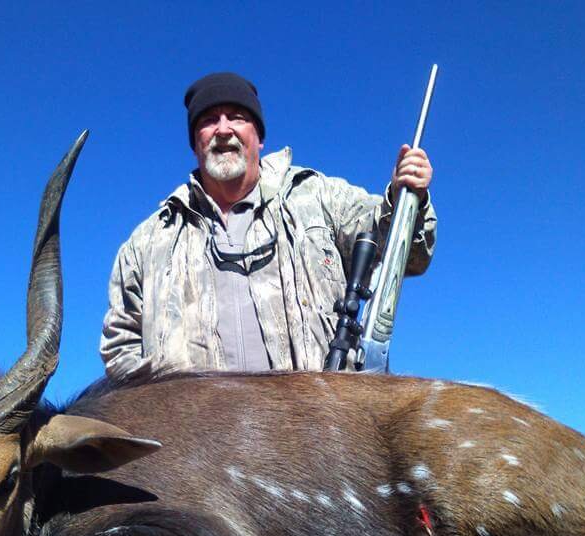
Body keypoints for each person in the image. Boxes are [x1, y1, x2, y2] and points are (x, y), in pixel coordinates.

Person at [100, 71, 436, 381]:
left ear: (259, 138)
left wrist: (407, 197)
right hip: (197, 440)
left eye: (237, 117)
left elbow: (406, 256)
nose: (223, 129)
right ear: (195, 143)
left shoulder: (319, 197)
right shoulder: (147, 242)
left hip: (324, 430)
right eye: (208, 121)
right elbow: (120, 349)